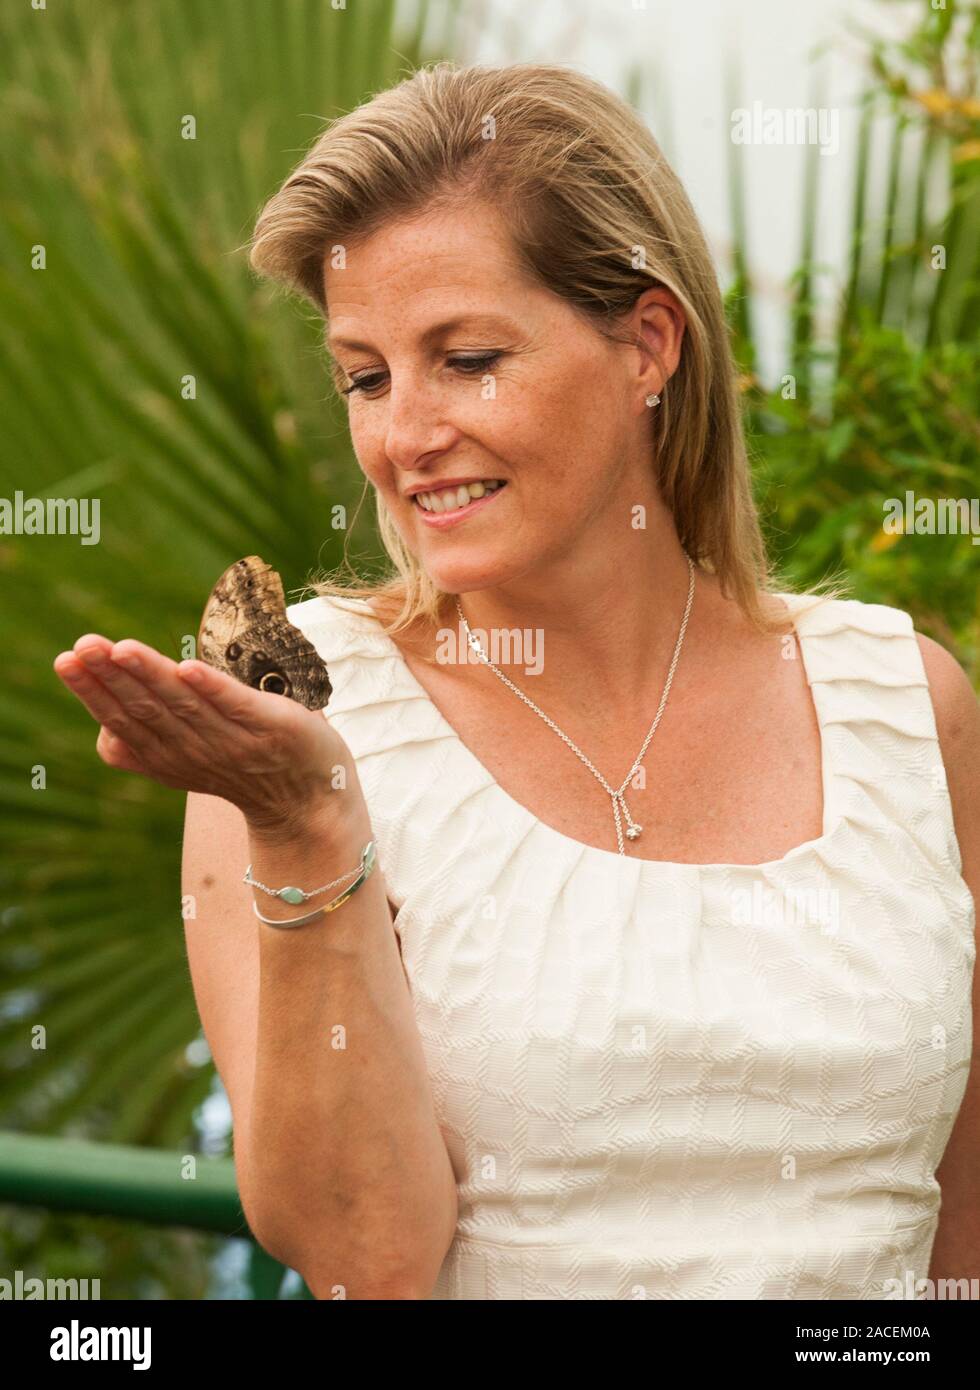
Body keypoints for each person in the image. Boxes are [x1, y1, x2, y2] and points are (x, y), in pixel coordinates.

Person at [53, 61, 978, 1301]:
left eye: (468, 357)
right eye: (365, 377)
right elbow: (361, 1259)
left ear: (647, 342)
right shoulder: (305, 722)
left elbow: (960, 1228)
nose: (403, 434)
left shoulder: (905, 705)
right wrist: (306, 819)